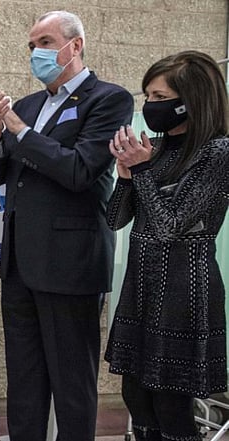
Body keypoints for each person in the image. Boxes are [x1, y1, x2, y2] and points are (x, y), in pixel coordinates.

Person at [0, 10, 134, 440]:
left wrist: (17, 129)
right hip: (19, 263)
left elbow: (81, 170)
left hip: (71, 263)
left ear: (75, 45)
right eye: (31, 45)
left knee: (71, 384)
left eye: (45, 42)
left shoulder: (109, 99)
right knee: (24, 383)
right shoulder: (27, 105)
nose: (36, 52)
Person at [105, 50, 229, 441]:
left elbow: (170, 226)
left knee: (170, 405)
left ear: (191, 100)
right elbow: (115, 220)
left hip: (184, 293)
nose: (150, 106)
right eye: (147, 96)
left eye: (159, 97)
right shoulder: (154, 150)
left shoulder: (218, 152)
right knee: (135, 396)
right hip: (143, 288)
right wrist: (126, 176)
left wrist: (140, 170)